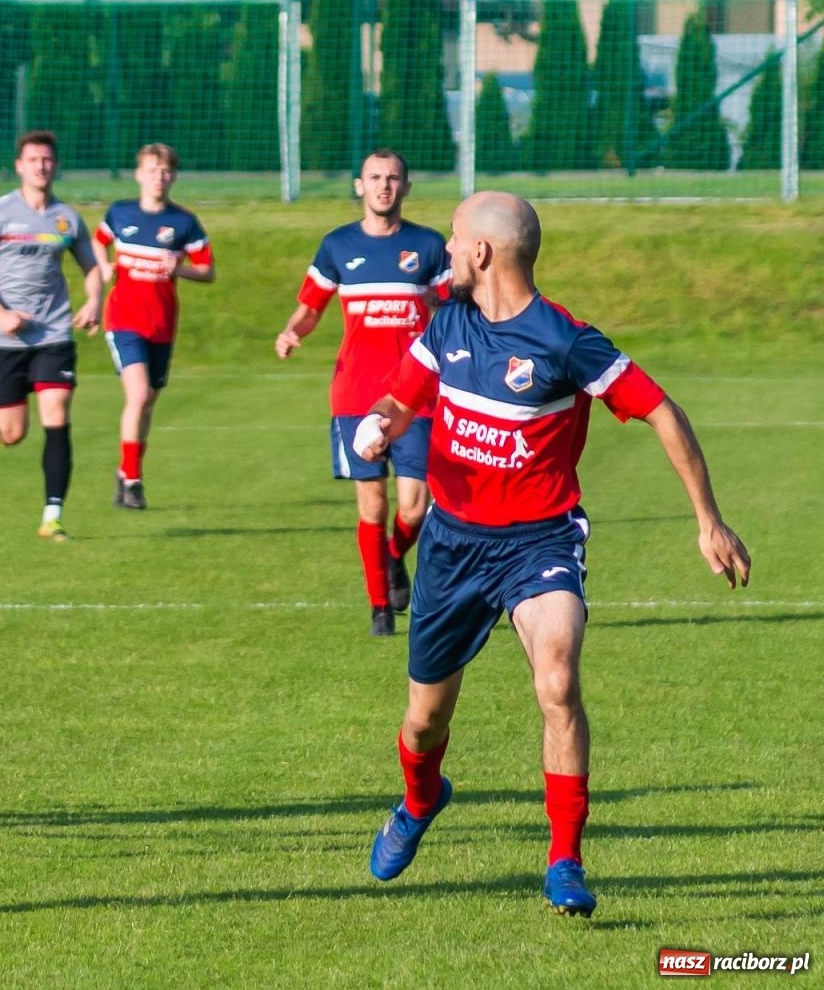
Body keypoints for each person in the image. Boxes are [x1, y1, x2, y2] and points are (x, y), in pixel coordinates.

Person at [358, 191, 751, 918]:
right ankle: (420, 799)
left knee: (559, 680)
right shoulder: (447, 324)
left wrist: (709, 520)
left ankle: (565, 859)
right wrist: (380, 427)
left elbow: (660, 407)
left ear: (483, 253)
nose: (443, 249)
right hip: (451, 546)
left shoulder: (565, 341)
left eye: (453, 237)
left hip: (539, 542)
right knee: (423, 724)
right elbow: (400, 400)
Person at [275, 149, 451, 637]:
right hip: (355, 395)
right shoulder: (337, 246)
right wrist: (293, 332)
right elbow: (310, 306)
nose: (384, 186)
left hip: (417, 397)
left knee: (415, 506)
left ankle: (393, 557)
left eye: (393, 178)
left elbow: (452, 310)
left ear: (407, 187)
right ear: (359, 185)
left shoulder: (429, 246)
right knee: (371, 505)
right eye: (375, 178)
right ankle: (379, 606)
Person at [0, 130, 102, 542]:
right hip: (4, 342)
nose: (41, 166)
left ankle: (52, 515)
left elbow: (92, 267)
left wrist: (93, 302)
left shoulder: (67, 218)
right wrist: (0, 314)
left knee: (56, 415)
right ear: (19, 166)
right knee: (13, 432)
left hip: (54, 333)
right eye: (33, 159)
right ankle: (7, 429)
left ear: (55, 165)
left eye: (47, 159)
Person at [93, 143, 214, 510]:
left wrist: (177, 269)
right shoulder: (121, 213)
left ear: (173, 176)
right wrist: (103, 268)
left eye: (165, 171)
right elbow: (98, 243)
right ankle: (132, 482)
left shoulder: (184, 222)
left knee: (147, 404)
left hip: (161, 326)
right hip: (123, 320)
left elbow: (208, 270)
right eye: (151, 170)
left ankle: (127, 469)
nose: (158, 177)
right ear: (138, 174)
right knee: (140, 394)